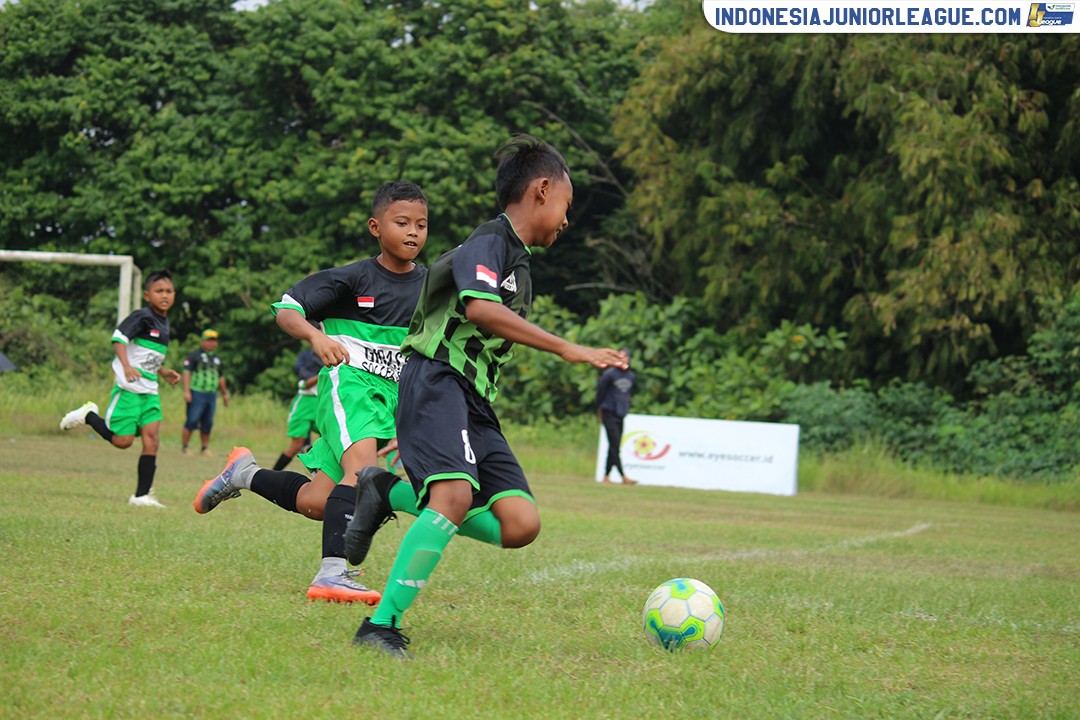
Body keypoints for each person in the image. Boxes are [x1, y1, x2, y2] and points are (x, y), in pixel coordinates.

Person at [346, 134, 628, 657]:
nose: (567, 220)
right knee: (453, 498)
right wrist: (567, 348)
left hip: (473, 400)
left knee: (521, 524)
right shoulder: (490, 240)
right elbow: (479, 308)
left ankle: (386, 491)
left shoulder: (519, 264)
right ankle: (380, 625)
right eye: (566, 204)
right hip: (437, 379)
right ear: (541, 190)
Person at [192, 181, 429, 605]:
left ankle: (243, 473)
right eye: (402, 222)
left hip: (390, 400)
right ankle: (332, 575)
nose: (413, 232)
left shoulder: (430, 288)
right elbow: (287, 310)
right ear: (375, 227)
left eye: (421, 225)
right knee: (364, 474)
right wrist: (316, 337)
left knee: (317, 502)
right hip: (350, 385)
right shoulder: (352, 278)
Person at [60, 270, 182, 508]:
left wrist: (163, 372)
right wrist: (125, 366)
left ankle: (141, 496)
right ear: (147, 295)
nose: (164, 295)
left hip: (150, 391)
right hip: (129, 389)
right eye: (159, 291)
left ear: (174, 295)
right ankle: (89, 415)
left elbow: (146, 357)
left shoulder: (164, 324)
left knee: (152, 440)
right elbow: (119, 338)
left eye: (168, 291)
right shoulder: (142, 317)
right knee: (123, 441)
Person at [271, 348, 323, 471]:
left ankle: (319, 472)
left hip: (321, 402)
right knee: (296, 446)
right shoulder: (308, 358)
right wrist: (322, 373)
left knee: (329, 441)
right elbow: (304, 384)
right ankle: (273, 474)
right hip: (304, 405)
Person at [181, 329, 229, 456]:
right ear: (202, 341)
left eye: (214, 340)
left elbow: (221, 377)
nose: (211, 343)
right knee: (192, 419)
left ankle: (204, 448)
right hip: (197, 392)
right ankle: (185, 446)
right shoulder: (194, 355)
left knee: (208, 422)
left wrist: (225, 393)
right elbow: (186, 373)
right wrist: (186, 391)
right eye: (209, 340)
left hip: (211, 394)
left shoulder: (217, 359)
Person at [597, 347, 637, 485]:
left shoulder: (631, 376)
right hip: (608, 411)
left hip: (621, 413)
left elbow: (629, 394)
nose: (622, 359)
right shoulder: (609, 374)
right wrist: (600, 409)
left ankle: (606, 476)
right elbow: (600, 393)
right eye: (619, 356)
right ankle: (623, 476)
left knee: (614, 445)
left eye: (625, 356)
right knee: (615, 445)